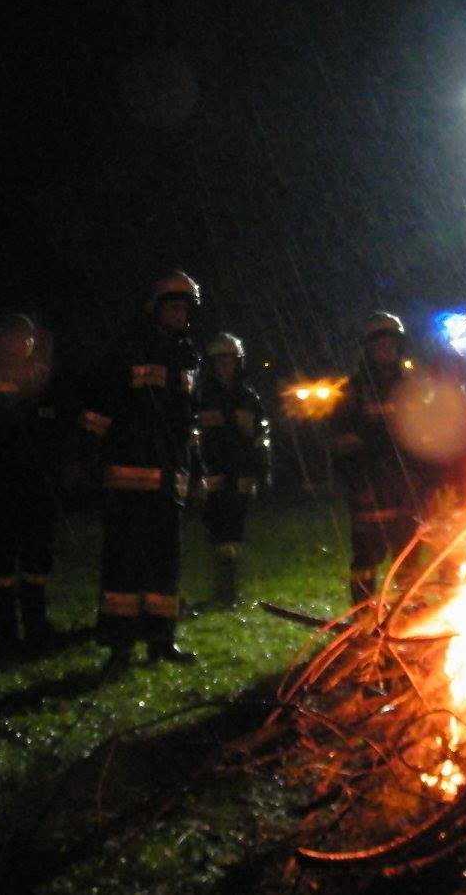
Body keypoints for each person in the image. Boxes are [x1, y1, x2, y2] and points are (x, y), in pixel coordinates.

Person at [79, 271, 201, 669]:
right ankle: (120, 643)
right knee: (125, 562)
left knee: (165, 562)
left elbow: (189, 421)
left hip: (170, 477)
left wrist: (196, 470)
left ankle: (161, 639)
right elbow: (101, 404)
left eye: (185, 308)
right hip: (128, 476)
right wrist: (86, 453)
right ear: (157, 309)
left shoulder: (188, 356)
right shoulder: (129, 349)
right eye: (173, 307)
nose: (180, 314)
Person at [0, 313, 62, 648]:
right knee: (3, 559)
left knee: (37, 556)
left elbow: (54, 425)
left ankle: (36, 623)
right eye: (17, 337)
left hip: (38, 483)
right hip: (5, 481)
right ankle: (6, 630)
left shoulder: (43, 377)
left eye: (28, 337)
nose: (24, 343)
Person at [329, 312, 424, 606]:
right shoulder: (351, 391)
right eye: (380, 343)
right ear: (368, 347)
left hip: (405, 486)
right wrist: (359, 482)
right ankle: (365, 617)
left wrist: (425, 481)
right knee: (367, 560)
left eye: (391, 343)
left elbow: (424, 439)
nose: (387, 348)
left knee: (409, 556)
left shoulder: (411, 388)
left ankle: (409, 615)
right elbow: (340, 442)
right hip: (368, 487)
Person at [195, 333, 271, 606]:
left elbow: (261, 437)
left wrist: (262, 470)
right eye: (220, 361)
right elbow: (194, 437)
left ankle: (230, 591)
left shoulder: (249, 398)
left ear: (239, 363)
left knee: (235, 529)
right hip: (213, 469)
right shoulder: (202, 397)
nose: (225, 366)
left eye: (230, 361)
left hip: (241, 471)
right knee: (217, 528)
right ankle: (223, 590)